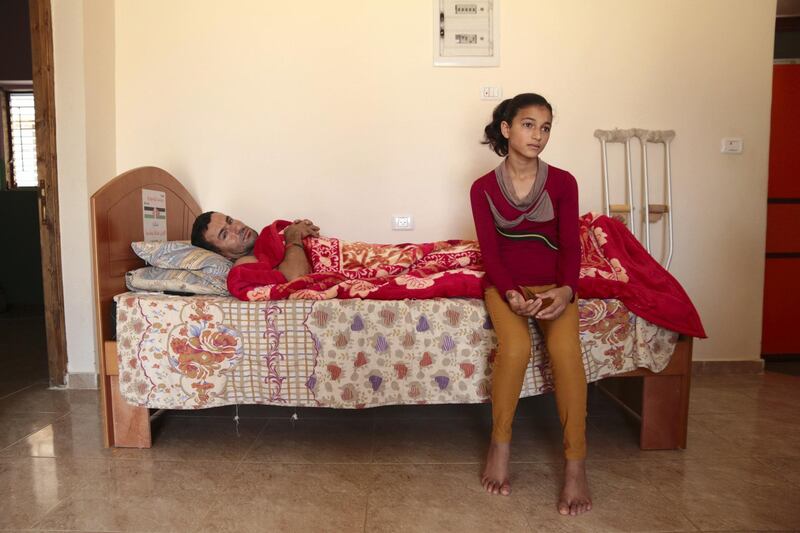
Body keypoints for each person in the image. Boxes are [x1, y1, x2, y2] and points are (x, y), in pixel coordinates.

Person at [470, 93, 591, 515]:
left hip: (555, 288)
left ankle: (575, 465)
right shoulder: (482, 188)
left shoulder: (563, 182)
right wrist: (511, 294)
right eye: (528, 124)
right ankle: (499, 447)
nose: (538, 135)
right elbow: (491, 252)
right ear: (506, 129)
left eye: (545, 127)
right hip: (507, 287)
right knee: (516, 349)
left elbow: (571, 246)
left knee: (566, 354)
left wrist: (567, 290)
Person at [191, 211, 320, 281]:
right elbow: (296, 278)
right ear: (221, 254)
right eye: (224, 234)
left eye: (230, 221)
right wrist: (293, 236)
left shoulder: (267, 237)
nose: (237, 228)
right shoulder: (244, 267)